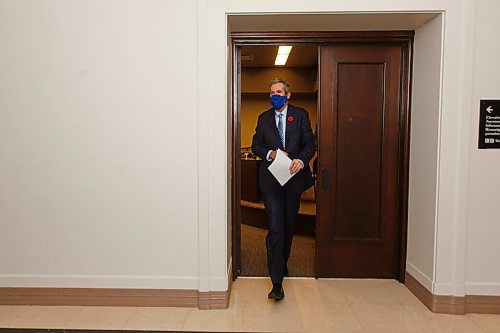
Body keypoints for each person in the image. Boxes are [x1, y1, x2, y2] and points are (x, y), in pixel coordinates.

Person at [251, 78, 316, 301]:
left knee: (288, 226)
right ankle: (276, 282)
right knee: (276, 226)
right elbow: (256, 146)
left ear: (288, 95)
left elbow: (310, 144)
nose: (274, 95)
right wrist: (271, 154)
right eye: (271, 92)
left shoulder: (301, 115)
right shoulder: (263, 118)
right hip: (271, 181)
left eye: (279, 92)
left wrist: (301, 159)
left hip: (294, 179)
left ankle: (282, 262)